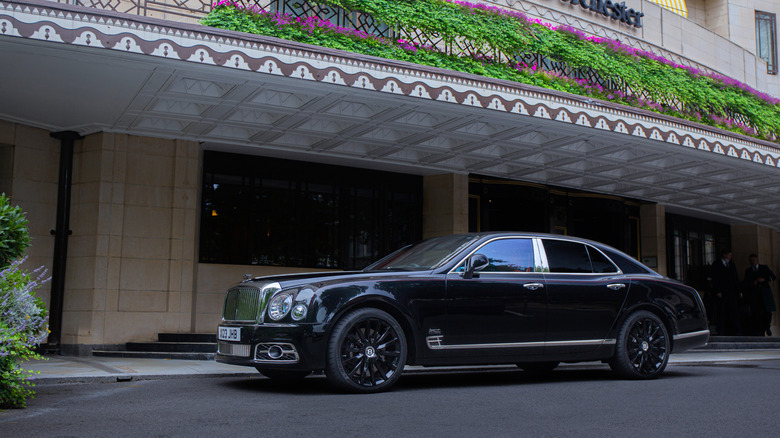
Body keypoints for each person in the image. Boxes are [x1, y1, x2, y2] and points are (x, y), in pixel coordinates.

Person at [744, 254, 776, 336]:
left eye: (754, 260)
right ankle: (760, 331)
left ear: (757, 260)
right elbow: (746, 283)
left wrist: (764, 279)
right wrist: (753, 283)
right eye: (751, 261)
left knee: (767, 312)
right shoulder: (748, 271)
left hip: (765, 293)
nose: (752, 262)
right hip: (755, 295)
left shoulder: (764, 268)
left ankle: (767, 327)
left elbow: (773, 277)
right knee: (756, 313)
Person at [711, 249, 742, 336]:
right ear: (724, 255)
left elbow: (736, 278)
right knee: (722, 311)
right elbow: (715, 279)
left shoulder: (731, 264)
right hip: (722, 292)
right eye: (729, 255)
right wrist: (717, 291)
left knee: (734, 311)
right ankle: (721, 330)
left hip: (732, 292)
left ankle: (736, 330)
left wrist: (739, 291)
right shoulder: (716, 264)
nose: (730, 257)